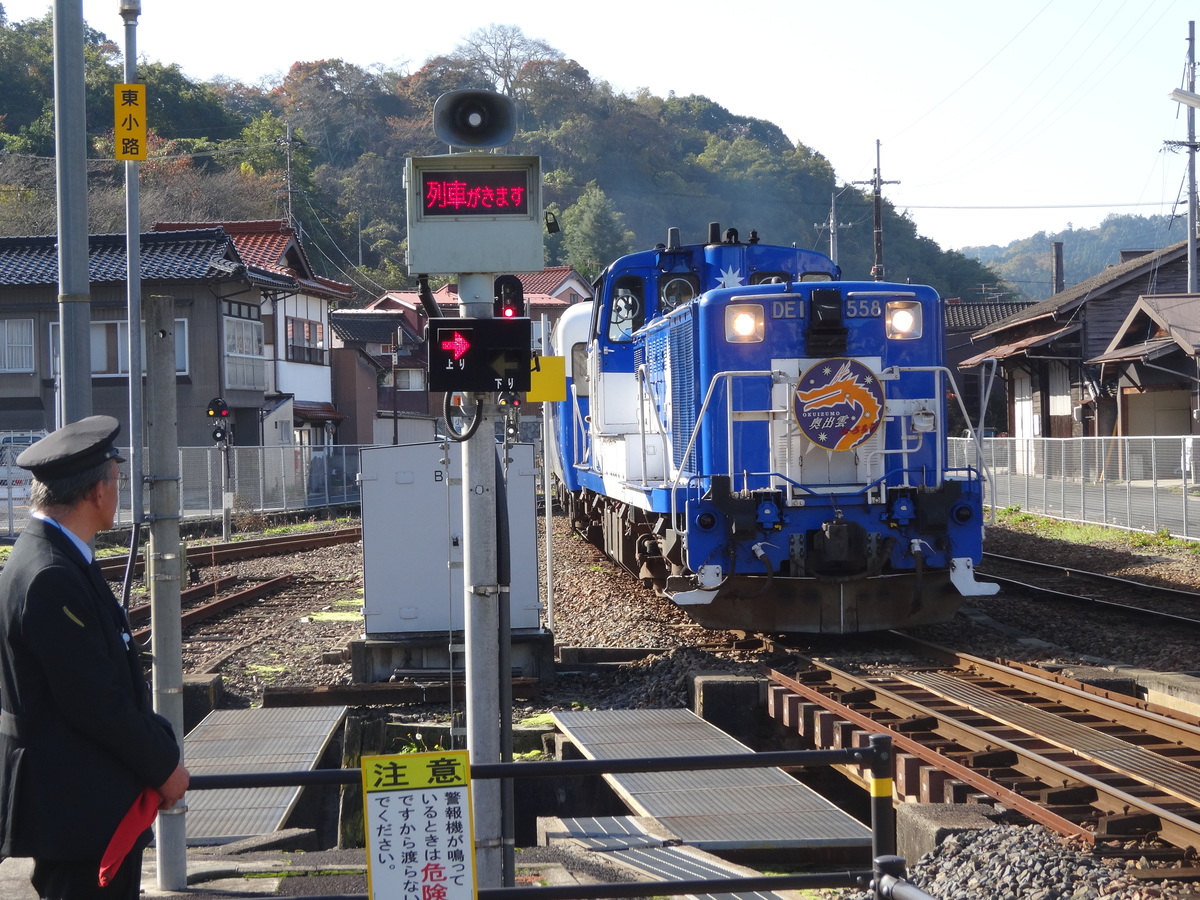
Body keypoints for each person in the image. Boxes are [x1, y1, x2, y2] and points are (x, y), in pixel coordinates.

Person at [0, 416, 188, 900]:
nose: (119, 492)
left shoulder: (44, 556)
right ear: (98, 493)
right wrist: (164, 764)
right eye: (117, 480)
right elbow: (95, 700)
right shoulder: (51, 575)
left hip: (77, 805)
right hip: (80, 808)